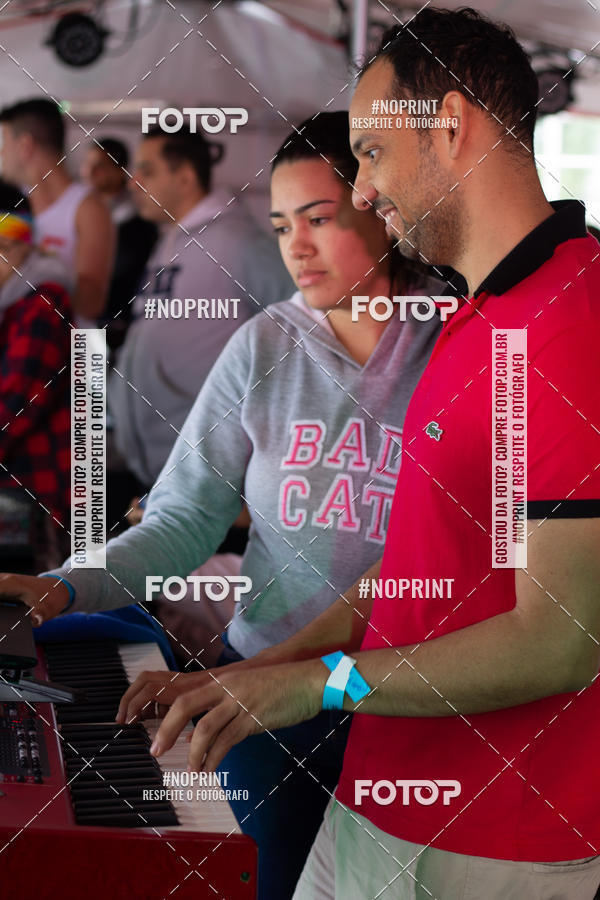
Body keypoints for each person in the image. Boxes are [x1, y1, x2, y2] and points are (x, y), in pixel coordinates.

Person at [103, 9, 599, 899]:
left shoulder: (567, 322)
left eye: (370, 152)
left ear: (451, 125)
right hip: (382, 794)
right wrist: (260, 674)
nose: (363, 189)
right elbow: (416, 570)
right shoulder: (475, 317)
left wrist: (316, 686)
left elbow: (560, 640)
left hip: (490, 834)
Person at [1, 111, 442, 899]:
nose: (296, 246)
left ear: (380, 206)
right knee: (254, 883)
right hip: (260, 700)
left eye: (318, 218)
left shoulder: (459, 342)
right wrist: (65, 586)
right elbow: (181, 521)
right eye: (281, 226)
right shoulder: (265, 345)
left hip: (406, 697)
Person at [106, 124, 293, 499]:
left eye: (147, 171)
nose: (133, 182)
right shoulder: (169, 240)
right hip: (159, 473)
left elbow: (303, 326)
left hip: (211, 482)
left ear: (186, 177)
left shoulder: (236, 242)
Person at [0, 181, 72, 550]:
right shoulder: (9, 302)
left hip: (33, 494)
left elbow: (17, 402)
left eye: (4, 247)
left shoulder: (42, 304)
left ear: (26, 246)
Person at [0, 98, 114, 321]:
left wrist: (31, 264)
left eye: (3, 142)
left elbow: (91, 305)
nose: (1, 153)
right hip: (14, 335)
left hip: (61, 338)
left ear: (25, 145)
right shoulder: (12, 203)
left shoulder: (87, 207)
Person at [80, 137, 157, 349]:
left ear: (120, 171)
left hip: (120, 328)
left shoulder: (140, 220)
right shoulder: (80, 213)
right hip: (83, 325)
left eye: (100, 166)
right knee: (83, 369)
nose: (90, 172)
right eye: (87, 164)